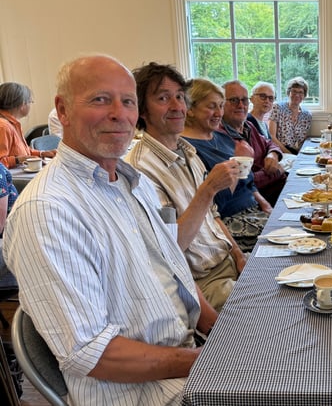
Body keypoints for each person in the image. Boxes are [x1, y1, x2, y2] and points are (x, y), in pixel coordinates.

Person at [4, 54, 219, 405]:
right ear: (63, 110)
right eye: (101, 100)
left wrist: (217, 328)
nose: (120, 114)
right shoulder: (48, 211)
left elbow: (175, 270)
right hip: (138, 393)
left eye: (128, 101)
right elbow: (90, 353)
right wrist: (206, 362)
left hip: (184, 357)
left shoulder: (134, 184)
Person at [126, 62, 246, 311]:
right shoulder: (141, 169)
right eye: (163, 98)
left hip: (228, 262)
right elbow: (171, 247)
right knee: (280, 311)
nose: (177, 106)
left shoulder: (188, 152)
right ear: (142, 111)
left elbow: (213, 215)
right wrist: (208, 190)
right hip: (203, 282)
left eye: (180, 97)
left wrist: (238, 254)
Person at [182, 78, 271, 252]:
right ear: (190, 109)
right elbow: (214, 206)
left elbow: (249, 182)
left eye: (221, 106)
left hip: (254, 211)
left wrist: (265, 205)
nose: (219, 113)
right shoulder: (188, 150)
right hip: (231, 222)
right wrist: (237, 163)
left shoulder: (221, 138)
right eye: (211, 106)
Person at [221, 80, 286, 206]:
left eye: (244, 100)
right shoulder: (220, 136)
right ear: (221, 104)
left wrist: (273, 154)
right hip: (255, 200)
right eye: (234, 100)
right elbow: (241, 181)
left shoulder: (248, 125)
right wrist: (276, 172)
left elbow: (269, 143)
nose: (241, 105)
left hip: (273, 188)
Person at [0, 82, 57, 168]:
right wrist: (19, 160)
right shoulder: (3, 126)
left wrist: (42, 153)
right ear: (22, 104)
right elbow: (1, 163)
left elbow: (23, 152)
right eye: (30, 101)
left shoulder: (13, 124)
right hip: (13, 180)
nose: (30, 105)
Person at [269, 76, 312, 154]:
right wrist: (289, 153)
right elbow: (271, 136)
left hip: (297, 153)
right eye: (294, 91)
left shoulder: (307, 115)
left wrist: (299, 155)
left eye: (300, 92)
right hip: (279, 151)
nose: (297, 95)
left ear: (304, 95)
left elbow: (302, 141)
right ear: (289, 93)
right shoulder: (277, 108)